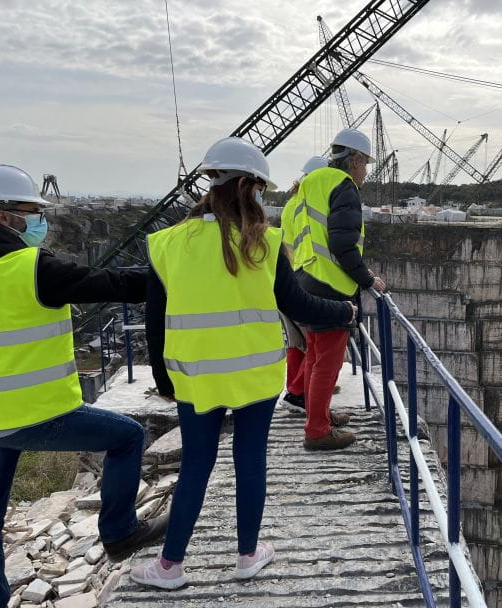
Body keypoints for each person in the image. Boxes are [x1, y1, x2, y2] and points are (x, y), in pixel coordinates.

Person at [131, 138, 355, 589]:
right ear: (252, 187)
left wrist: (163, 378)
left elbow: (154, 321)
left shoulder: (167, 245)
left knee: (197, 464)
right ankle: (248, 555)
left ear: (209, 184)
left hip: (196, 378)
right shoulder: (266, 243)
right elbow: (300, 305)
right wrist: (345, 312)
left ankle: (171, 566)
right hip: (255, 374)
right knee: (250, 462)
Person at [0, 164, 168, 608]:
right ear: (4, 217)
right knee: (127, 436)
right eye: (31, 212)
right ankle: (120, 532)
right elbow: (112, 283)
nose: (40, 222)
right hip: (31, 414)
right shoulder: (28, 266)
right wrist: (170, 277)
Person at [291, 129, 387, 451]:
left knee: (316, 356)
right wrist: (367, 279)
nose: (365, 171)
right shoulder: (344, 187)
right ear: (355, 159)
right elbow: (344, 244)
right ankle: (317, 431)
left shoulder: (313, 181)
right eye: (365, 163)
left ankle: (318, 416)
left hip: (306, 277)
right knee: (327, 361)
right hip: (330, 284)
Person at [279, 155, 327, 415]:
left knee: (297, 341)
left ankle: (296, 389)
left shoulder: (290, 205)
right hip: (307, 277)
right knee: (315, 343)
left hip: (290, 277)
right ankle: (298, 391)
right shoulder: (309, 205)